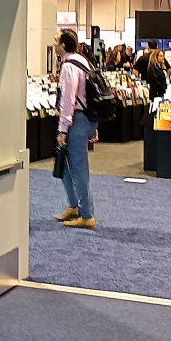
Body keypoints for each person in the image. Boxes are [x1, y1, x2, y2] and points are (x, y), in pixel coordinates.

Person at [54, 28, 97, 229]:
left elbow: (68, 100)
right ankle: (74, 205)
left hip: (76, 121)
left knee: (78, 168)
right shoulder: (83, 61)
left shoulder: (69, 67)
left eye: (57, 41)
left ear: (63, 45)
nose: (55, 44)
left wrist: (63, 129)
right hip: (85, 119)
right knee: (64, 165)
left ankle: (86, 215)